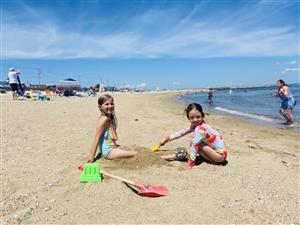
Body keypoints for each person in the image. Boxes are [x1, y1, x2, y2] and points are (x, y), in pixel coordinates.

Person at [159, 103, 228, 169]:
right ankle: (212, 160)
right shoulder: (197, 125)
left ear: (202, 116)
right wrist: (166, 139)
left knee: (193, 141)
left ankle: (213, 160)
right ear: (188, 118)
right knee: (196, 141)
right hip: (220, 153)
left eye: (198, 117)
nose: (195, 120)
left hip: (219, 156)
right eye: (192, 118)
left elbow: (195, 146)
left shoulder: (201, 129)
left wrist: (190, 164)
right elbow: (181, 133)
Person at [86, 94, 137, 162]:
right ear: (100, 107)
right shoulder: (103, 119)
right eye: (106, 104)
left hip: (113, 147)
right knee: (135, 154)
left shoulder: (110, 118)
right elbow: (97, 137)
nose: (110, 106)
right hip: (108, 151)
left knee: (133, 150)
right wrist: (91, 156)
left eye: (112, 104)